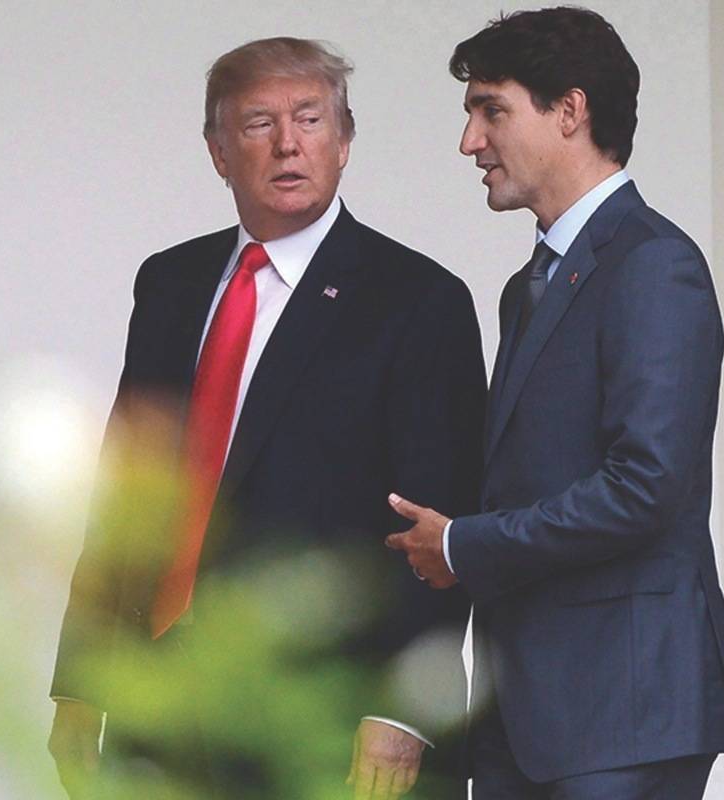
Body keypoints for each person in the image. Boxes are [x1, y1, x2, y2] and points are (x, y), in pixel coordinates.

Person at [47, 37, 485, 799]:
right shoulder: (170, 284)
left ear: (344, 141)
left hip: (326, 721)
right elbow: (125, 498)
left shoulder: (419, 302)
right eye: (258, 124)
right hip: (162, 708)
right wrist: (82, 682)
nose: (289, 143)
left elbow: (446, 521)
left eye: (310, 120)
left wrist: (402, 710)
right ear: (219, 152)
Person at [384, 8, 724, 799]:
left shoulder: (655, 265)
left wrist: (464, 546)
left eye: (492, 109)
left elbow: (645, 487)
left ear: (571, 111)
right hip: (529, 714)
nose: (470, 141)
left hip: (624, 710)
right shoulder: (531, 285)